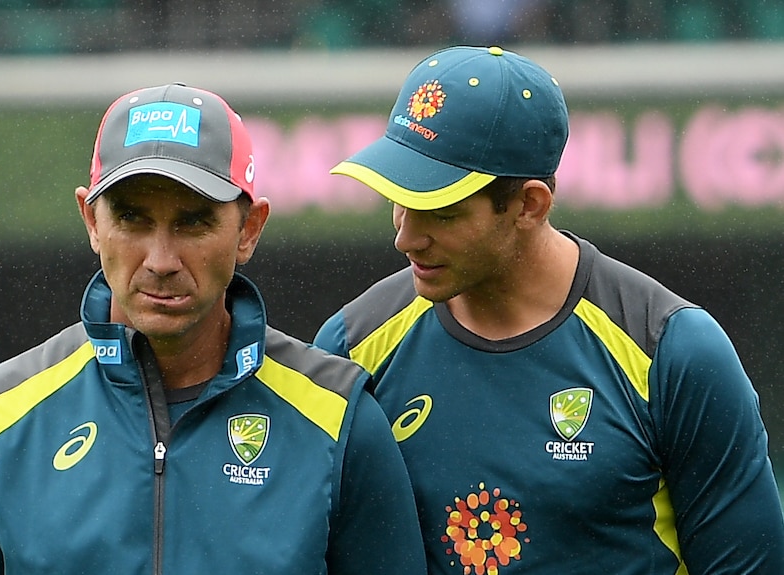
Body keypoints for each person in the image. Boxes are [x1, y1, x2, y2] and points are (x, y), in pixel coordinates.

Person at [314, 46, 784, 574]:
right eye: (397, 198)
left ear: (529, 205)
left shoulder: (672, 350)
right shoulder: (350, 348)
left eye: (439, 213)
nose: (406, 236)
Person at [0, 83, 427, 575]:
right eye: (131, 219)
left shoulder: (342, 424)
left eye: (193, 223)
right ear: (91, 222)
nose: (161, 261)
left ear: (250, 228)